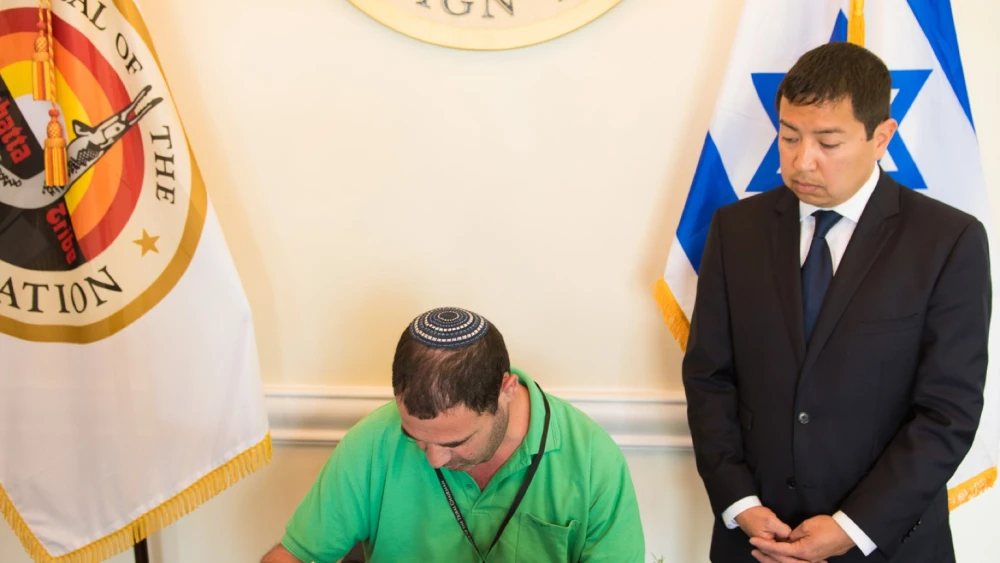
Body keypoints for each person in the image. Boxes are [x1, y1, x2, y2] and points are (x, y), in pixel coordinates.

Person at [682, 41, 991, 563]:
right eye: (788, 136)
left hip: (889, 545)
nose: (803, 161)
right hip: (756, 540)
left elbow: (947, 412)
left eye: (828, 142)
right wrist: (740, 503)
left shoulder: (948, 240)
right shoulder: (736, 230)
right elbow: (709, 377)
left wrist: (853, 527)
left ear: (881, 137)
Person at [261, 307, 645, 562]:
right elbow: (292, 555)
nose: (433, 459)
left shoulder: (593, 459)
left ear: (505, 391)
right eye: (416, 437)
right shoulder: (371, 443)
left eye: (454, 442)